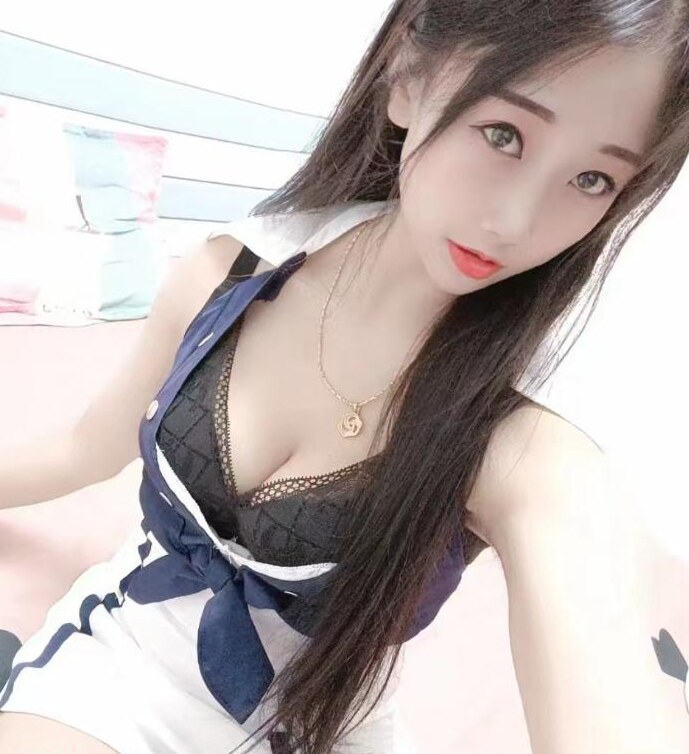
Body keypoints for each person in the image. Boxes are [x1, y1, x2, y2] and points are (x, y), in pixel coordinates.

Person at [1, 1, 689, 753]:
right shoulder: (228, 279)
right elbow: (85, 448)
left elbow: (599, 645)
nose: (515, 221)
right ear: (408, 77)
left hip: (325, 726)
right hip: (124, 675)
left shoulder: (522, 442)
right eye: (504, 134)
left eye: (592, 179)